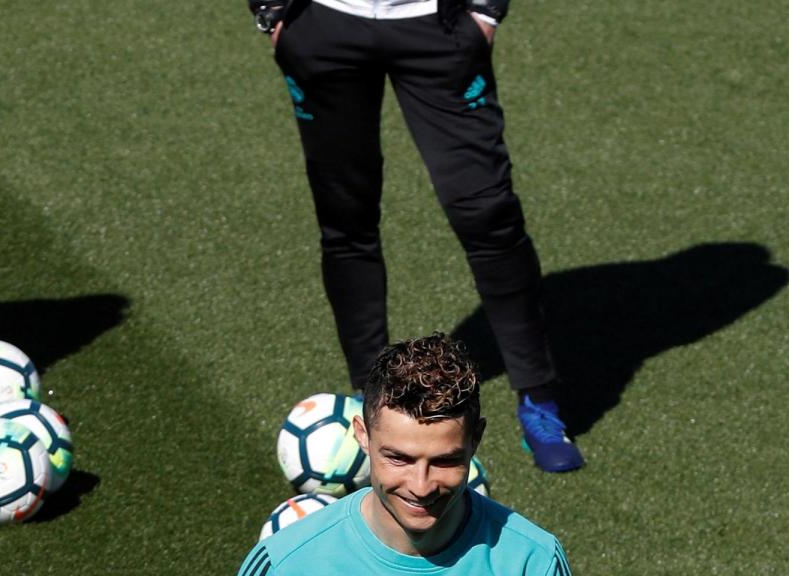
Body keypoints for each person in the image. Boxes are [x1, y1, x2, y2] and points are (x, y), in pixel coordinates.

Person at [246, 0, 583, 472]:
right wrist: (270, 10)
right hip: (322, 23)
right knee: (346, 217)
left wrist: (486, 11)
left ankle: (538, 399)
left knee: (488, 213)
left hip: (439, 26)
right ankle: (373, 399)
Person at [236, 333, 574, 575]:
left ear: (476, 440)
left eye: (444, 460)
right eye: (398, 458)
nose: (421, 487)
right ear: (362, 436)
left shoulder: (533, 562)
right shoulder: (286, 563)